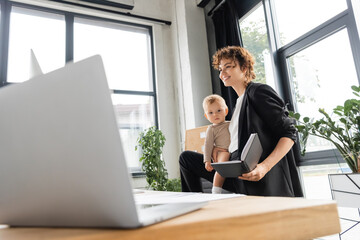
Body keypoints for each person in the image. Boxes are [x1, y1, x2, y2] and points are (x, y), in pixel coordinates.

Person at [179, 46, 303, 197]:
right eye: (220, 69)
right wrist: (221, 150)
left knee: (187, 159)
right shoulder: (238, 104)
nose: (222, 73)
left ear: (244, 68)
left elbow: (289, 133)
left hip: (254, 171)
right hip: (235, 167)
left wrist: (264, 167)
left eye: (228, 67)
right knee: (186, 159)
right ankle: (196, 206)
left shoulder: (258, 92)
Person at [202, 94, 230, 194]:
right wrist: (207, 160)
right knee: (222, 166)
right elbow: (208, 145)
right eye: (211, 112)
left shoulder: (231, 123)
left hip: (233, 151)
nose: (215, 115)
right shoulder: (211, 129)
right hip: (221, 151)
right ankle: (216, 189)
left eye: (219, 110)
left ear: (226, 111)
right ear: (206, 116)